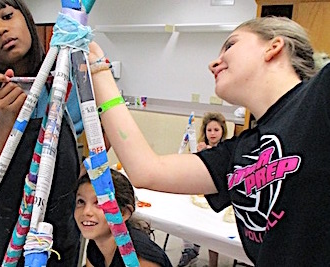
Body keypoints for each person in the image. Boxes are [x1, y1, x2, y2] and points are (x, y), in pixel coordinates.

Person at [88, 16, 330, 266]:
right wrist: (98, 68)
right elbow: (147, 170)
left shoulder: (319, 100)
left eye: (230, 45)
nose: (214, 63)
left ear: (273, 47)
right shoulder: (242, 150)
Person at [0, 0, 81, 265]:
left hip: (62, 237)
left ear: (26, 20)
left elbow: (84, 146)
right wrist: (6, 119)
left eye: (7, 15)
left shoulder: (60, 78)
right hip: (4, 243)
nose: (0, 29)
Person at [75, 168, 173, 267]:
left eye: (100, 203)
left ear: (123, 213)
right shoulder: (96, 243)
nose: (86, 211)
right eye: (81, 201)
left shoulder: (139, 259)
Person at [179, 112, 227, 267]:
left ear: (222, 131)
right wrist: (197, 154)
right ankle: (190, 250)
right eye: (209, 130)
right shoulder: (198, 146)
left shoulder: (226, 149)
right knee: (188, 218)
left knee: (212, 230)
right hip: (198, 194)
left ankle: (213, 263)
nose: (212, 133)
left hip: (217, 194)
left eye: (216, 130)